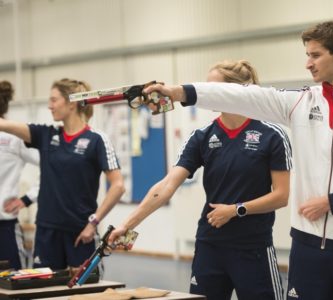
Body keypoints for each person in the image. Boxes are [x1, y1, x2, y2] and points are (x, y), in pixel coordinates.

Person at [142, 21, 333, 300]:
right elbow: (245, 95)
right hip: (306, 248)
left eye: (315, 55)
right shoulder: (300, 102)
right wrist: (181, 92)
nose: (308, 63)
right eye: (307, 55)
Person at [109, 60, 291, 300]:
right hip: (210, 246)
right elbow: (166, 186)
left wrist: (236, 210)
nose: (207, 94)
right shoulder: (202, 137)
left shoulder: (272, 135)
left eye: (213, 88)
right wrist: (127, 225)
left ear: (234, 91)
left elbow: (281, 195)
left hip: (253, 248)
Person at [0, 78, 125, 271]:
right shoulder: (45, 135)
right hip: (46, 233)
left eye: (54, 100)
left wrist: (94, 223)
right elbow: (5, 125)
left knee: (86, 293)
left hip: (81, 233)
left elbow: (118, 186)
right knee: (43, 291)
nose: (49, 106)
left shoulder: (97, 139)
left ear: (72, 103)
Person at [0, 80, 40, 270]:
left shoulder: (14, 138)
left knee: (15, 288)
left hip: (5, 229)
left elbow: (53, 166)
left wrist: (26, 199)